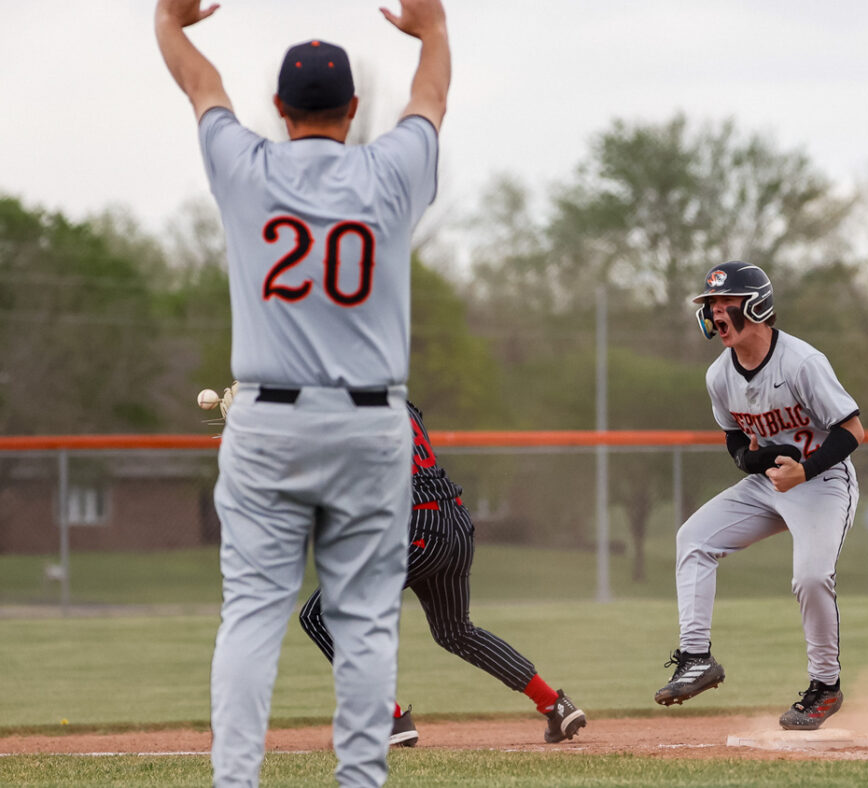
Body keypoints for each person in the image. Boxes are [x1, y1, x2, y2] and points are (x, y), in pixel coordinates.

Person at [155, 1, 450, 784]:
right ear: (353, 110)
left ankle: (235, 781)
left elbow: (201, 86)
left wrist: (169, 19)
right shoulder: (390, 170)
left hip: (267, 423)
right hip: (368, 425)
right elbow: (430, 99)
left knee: (251, 617)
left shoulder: (243, 165)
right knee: (364, 625)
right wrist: (435, 29)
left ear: (279, 108)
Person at [298, 401, 587, 747]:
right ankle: (554, 704)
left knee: (320, 614)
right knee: (456, 631)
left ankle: (386, 717)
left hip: (417, 529)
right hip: (454, 524)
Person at [655, 261, 863, 731]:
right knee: (693, 539)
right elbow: (734, 440)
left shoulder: (801, 363)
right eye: (710, 306)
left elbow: (852, 430)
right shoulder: (718, 376)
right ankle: (695, 658)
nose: (714, 315)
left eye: (723, 304)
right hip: (769, 484)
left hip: (824, 482)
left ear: (756, 306)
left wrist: (805, 469)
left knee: (811, 577)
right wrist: (754, 463)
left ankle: (825, 687)